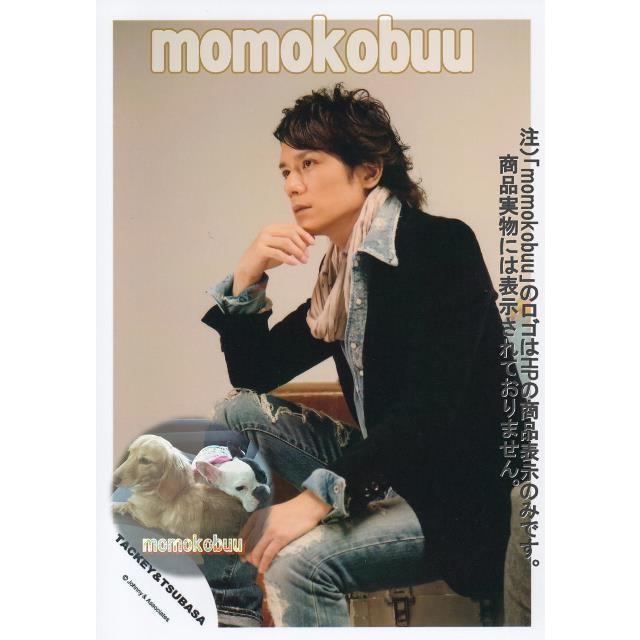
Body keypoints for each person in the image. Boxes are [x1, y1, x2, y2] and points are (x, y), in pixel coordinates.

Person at [201, 83, 516, 626]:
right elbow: (255, 373)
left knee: (298, 564)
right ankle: (233, 604)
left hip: (456, 499)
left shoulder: (440, 246)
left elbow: (431, 412)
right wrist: (248, 276)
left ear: (369, 171)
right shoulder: (344, 278)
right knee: (238, 411)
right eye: (285, 171)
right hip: (391, 472)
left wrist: (314, 501)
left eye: (309, 164)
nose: (292, 185)